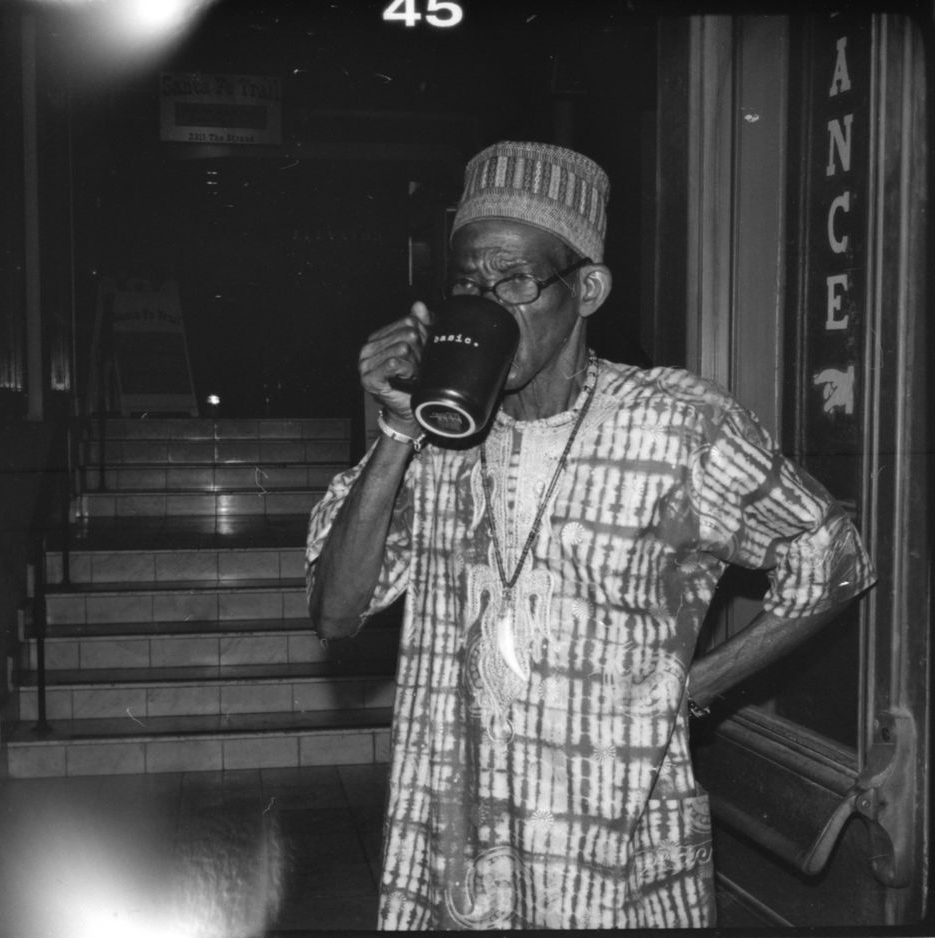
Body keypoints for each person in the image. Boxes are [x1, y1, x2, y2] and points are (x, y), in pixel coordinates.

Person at [305, 141, 876, 930]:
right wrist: (397, 432)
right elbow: (336, 612)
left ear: (588, 289)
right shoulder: (432, 434)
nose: (488, 305)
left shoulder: (678, 425)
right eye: (469, 284)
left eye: (515, 281)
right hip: (460, 848)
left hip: (613, 854)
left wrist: (697, 684)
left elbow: (832, 554)